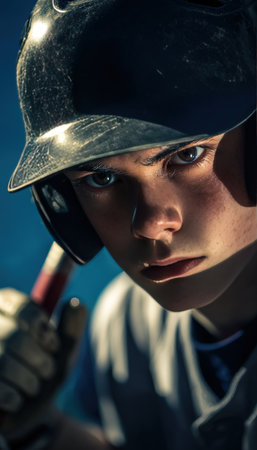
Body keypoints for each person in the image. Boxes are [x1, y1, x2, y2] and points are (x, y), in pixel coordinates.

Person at [0, 0, 256, 449]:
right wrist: (36, 427)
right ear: (66, 206)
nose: (152, 223)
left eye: (187, 154)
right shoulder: (125, 329)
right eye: (101, 178)